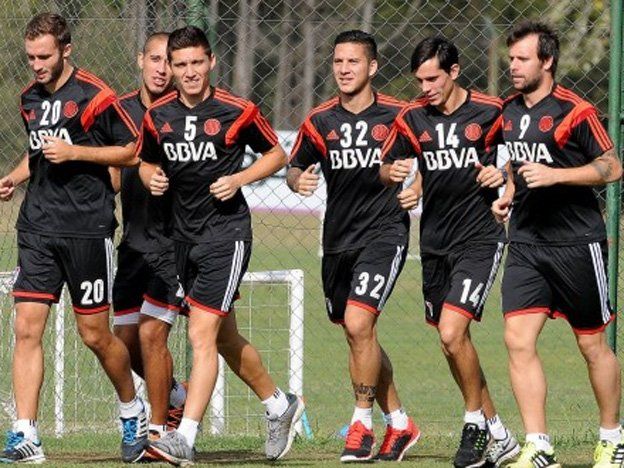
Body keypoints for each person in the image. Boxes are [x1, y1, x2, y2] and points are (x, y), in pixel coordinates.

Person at [137, 26, 304, 465]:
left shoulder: (237, 110)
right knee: (225, 339)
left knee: (200, 334)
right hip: (181, 239)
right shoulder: (158, 116)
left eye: (197, 62)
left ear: (212, 62)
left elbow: (277, 155)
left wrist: (239, 179)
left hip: (225, 236)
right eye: (180, 65)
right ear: (171, 68)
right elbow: (146, 162)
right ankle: (279, 405)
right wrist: (150, 178)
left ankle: (185, 438)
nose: (190, 72)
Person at [0, 12, 147, 464]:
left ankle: (132, 408)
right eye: (31, 57)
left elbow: (132, 151)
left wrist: (76, 151)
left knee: (95, 335)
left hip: (86, 229)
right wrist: (13, 178)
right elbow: (39, 152)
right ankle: (26, 433)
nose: (37, 65)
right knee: (26, 327)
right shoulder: (29, 98)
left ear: (66, 50)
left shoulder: (96, 96)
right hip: (37, 227)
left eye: (44, 57)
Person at [380, 36, 518, 468]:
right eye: (419, 80)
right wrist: (398, 175)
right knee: (453, 343)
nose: (425, 88)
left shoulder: (491, 111)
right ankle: (500, 434)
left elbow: (517, 160)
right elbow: (386, 168)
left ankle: (474, 424)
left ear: (454, 72)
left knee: (452, 332)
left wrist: (504, 182)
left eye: (433, 79)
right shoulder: (412, 117)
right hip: (434, 242)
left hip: (479, 237)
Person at [492, 21, 623, 468]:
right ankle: (539, 445)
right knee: (517, 339)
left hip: (576, 244)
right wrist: (508, 193)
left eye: (522, 59)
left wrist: (558, 176)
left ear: (546, 61)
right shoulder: (508, 112)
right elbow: (516, 165)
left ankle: (612, 438)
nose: (513, 66)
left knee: (592, 346)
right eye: (511, 58)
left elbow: (612, 167)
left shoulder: (575, 111)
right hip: (526, 243)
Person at [287, 30, 421, 463]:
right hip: (337, 241)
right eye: (338, 61)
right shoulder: (319, 120)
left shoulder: (400, 115)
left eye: (353, 62)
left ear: (372, 67)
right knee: (356, 333)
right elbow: (294, 167)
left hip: (384, 233)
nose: (344, 69)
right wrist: (297, 180)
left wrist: (416, 186)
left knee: (360, 323)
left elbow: (434, 157)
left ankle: (361, 424)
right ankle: (400, 422)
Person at [110, 32, 189, 457]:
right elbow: (111, 166)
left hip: (173, 244)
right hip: (133, 243)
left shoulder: (184, 113)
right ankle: (175, 395)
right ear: (141, 59)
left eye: (168, 61)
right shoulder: (119, 110)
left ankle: (158, 431)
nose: (161, 68)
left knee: (152, 334)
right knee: (124, 340)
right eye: (155, 59)